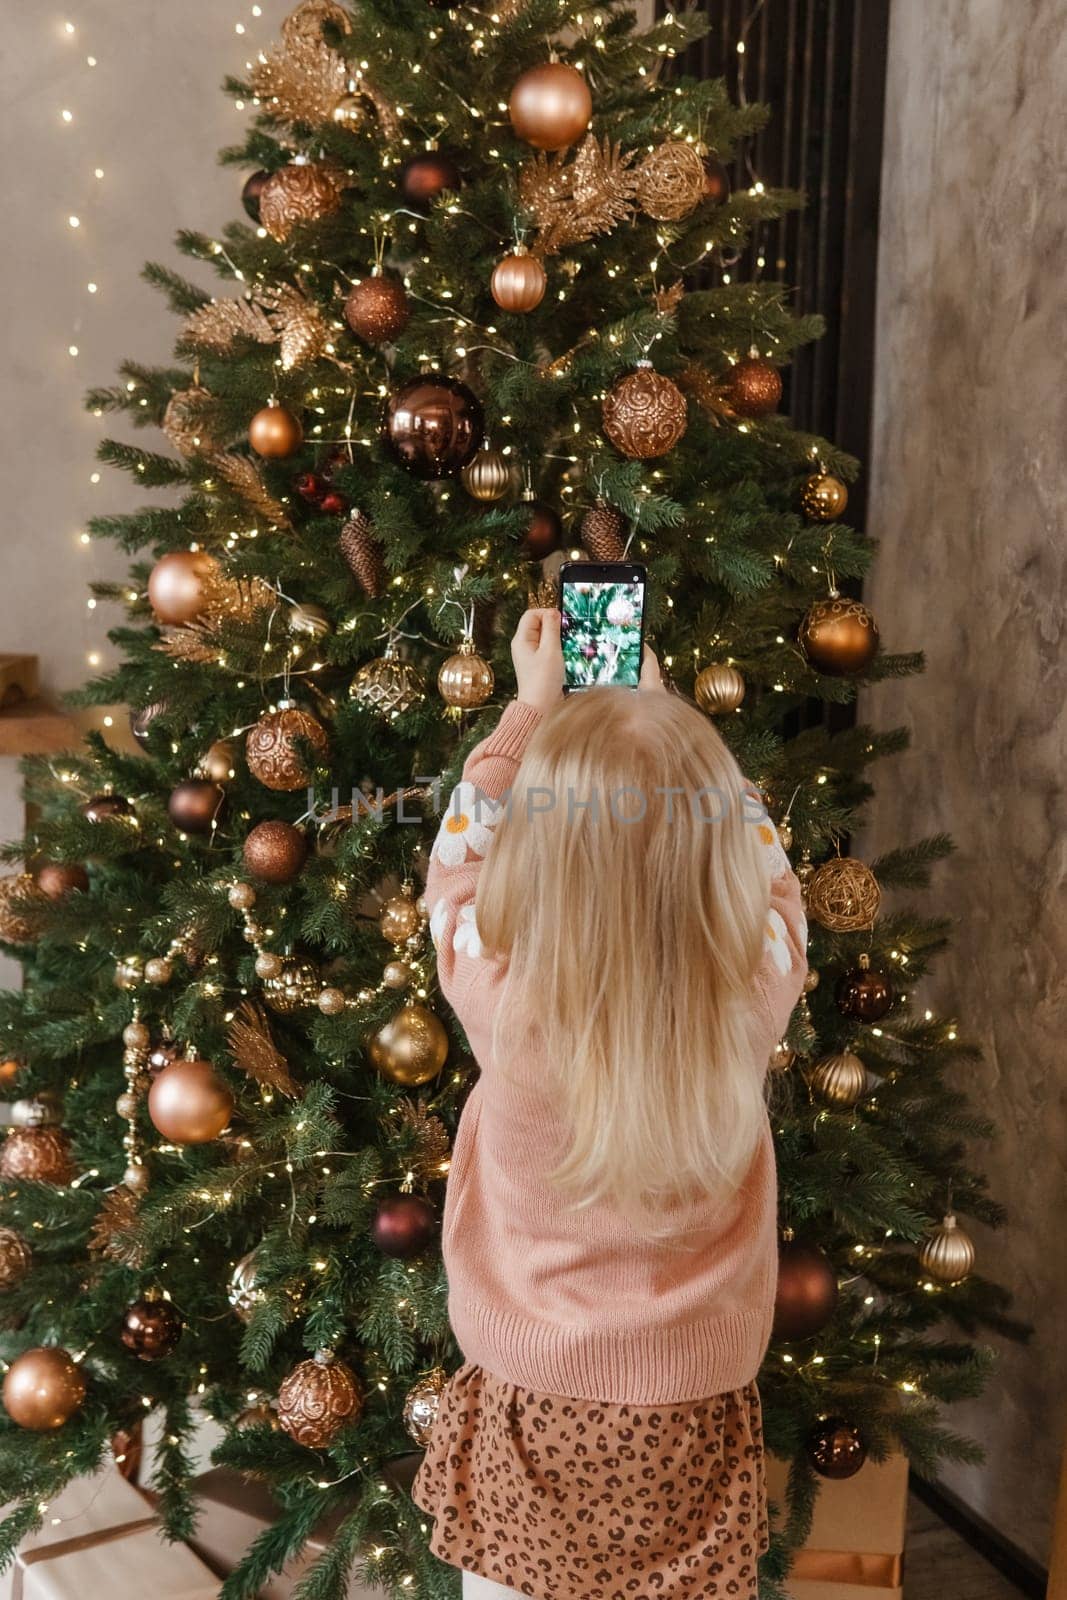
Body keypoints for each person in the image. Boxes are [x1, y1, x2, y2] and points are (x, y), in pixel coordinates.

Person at [413, 608, 808, 1599]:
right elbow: (772, 873)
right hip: (691, 1399)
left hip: (527, 1392)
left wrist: (526, 711)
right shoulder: (755, 983)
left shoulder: (497, 988)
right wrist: (669, 717)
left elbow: (454, 862)